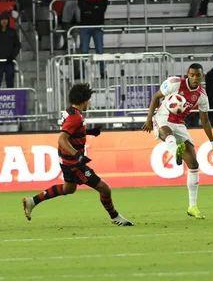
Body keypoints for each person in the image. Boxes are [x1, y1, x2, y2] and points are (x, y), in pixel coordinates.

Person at [22, 83, 134, 227]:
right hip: (73, 163)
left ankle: (32, 201)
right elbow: (62, 139)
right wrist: (77, 156)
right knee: (104, 188)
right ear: (85, 101)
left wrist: (88, 132)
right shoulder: (75, 118)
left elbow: (71, 131)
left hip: (65, 159)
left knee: (68, 189)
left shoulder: (70, 112)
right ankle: (115, 216)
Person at [141, 64, 213, 219]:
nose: (195, 78)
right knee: (166, 132)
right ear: (188, 74)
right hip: (162, 118)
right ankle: (174, 151)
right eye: (192, 75)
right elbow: (156, 96)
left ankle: (192, 207)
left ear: (202, 76)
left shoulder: (202, 96)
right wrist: (149, 118)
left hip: (179, 124)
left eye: (198, 75)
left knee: (194, 164)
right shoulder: (174, 83)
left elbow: (205, 121)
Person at [78, 0, 107, 78]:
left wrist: (90, 10)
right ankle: (82, 73)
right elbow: (84, 9)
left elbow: (101, 10)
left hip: (97, 27)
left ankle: (103, 73)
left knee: (100, 51)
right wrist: (95, 8)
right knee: (84, 51)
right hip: (85, 27)